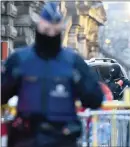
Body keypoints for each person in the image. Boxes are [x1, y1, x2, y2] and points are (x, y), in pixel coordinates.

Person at [1, 2, 104, 147]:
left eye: (54, 32)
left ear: (61, 29)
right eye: (46, 30)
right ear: (39, 26)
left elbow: (94, 98)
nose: (50, 35)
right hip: (28, 137)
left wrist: (82, 84)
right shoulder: (20, 60)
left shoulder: (73, 62)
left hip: (61, 137)